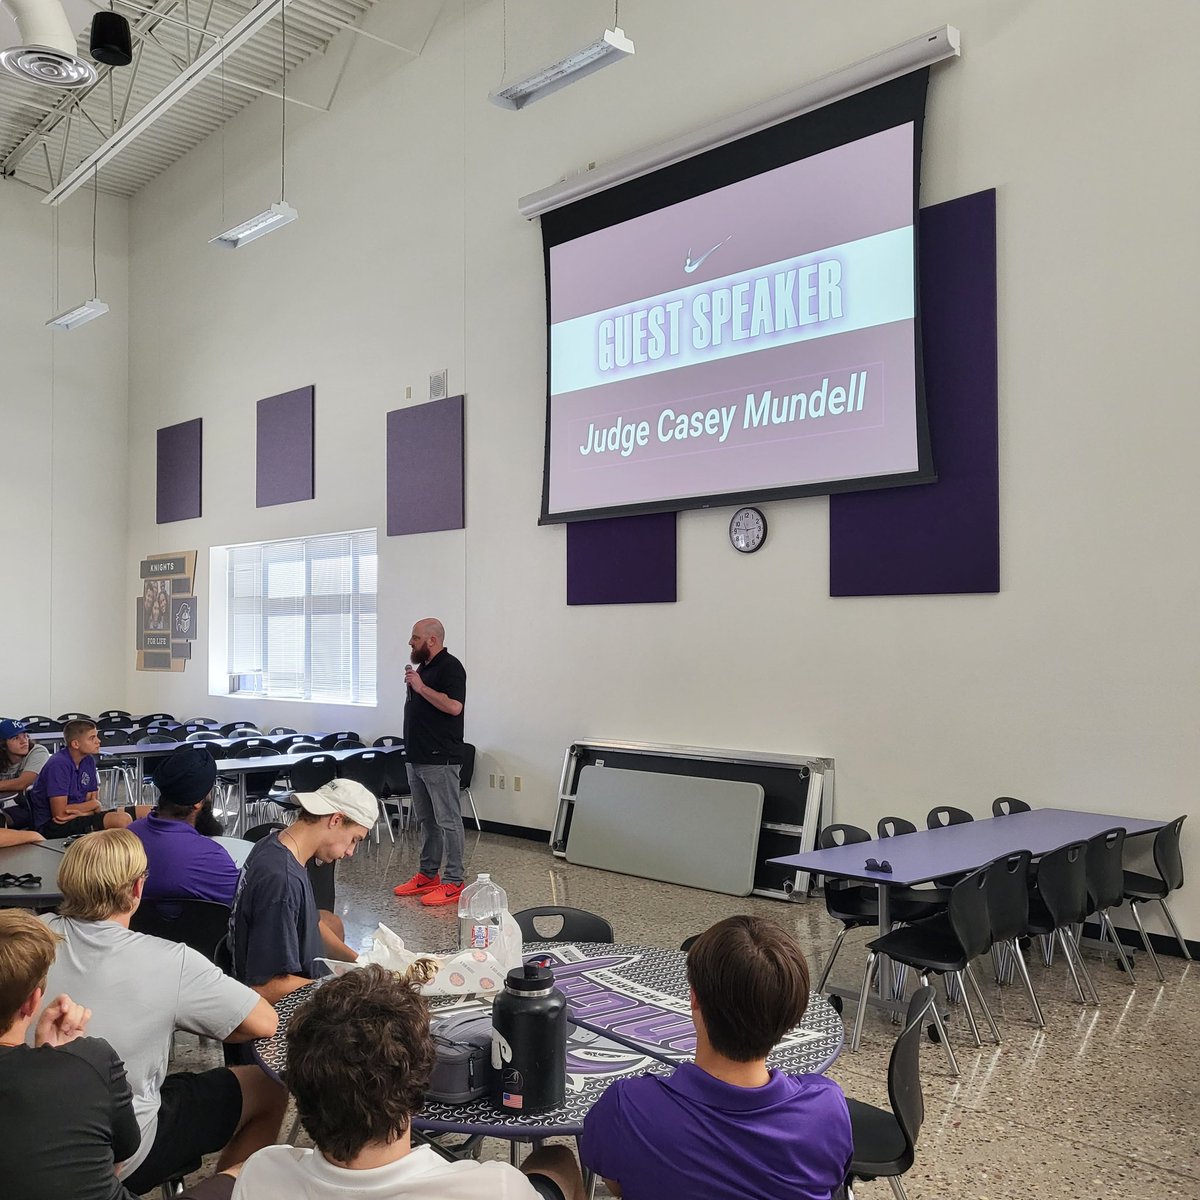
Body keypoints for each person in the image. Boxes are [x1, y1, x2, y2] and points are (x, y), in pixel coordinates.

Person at [41, 829, 285, 1195]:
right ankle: (229, 1188)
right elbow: (264, 1022)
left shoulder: (24, 937)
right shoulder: (172, 961)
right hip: (116, 1155)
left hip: (21, 1137)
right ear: (138, 889)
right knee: (267, 1089)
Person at [233, 965, 585, 1200]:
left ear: (298, 1087)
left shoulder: (259, 1174)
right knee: (557, 1160)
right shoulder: (495, 1188)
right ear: (419, 1079)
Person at [580, 915, 852, 1200]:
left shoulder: (627, 1106)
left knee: (556, 1161)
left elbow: (616, 1183)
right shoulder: (828, 1108)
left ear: (694, 998)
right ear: (791, 1015)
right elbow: (832, 1181)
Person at [0, 909, 142, 1200]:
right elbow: (118, 1159)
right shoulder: (93, 1063)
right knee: (240, 1174)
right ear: (32, 1002)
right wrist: (58, 1061)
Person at [229, 778, 377, 1001]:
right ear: (336, 820)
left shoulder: (274, 844)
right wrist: (341, 988)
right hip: (290, 1010)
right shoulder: (282, 879)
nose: (350, 852)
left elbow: (310, 923)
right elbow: (266, 987)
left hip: (305, 985)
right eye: (354, 839)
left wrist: (362, 965)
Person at [393, 618, 468, 907]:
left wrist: (422, 688)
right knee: (426, 821)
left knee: (448, 821)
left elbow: (454, 706)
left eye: (415, 637)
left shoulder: (451, 667)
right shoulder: (424, 668)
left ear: (431, 640)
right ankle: (428, 874)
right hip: (417, 758)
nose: (410, 642)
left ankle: (454, 881)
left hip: (440, 759)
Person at [129, 745, 239, 905]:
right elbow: (245, 901)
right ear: (198, 803)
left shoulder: (129, 836)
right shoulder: (210, 858)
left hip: (133, 928)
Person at [27, 719, 150, 839]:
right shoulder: (58, 764)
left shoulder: (88, 760)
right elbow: (60, 814)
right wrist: (93, 806)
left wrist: (88, 809)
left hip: (79, 816)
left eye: (97, 736)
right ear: (75, 744)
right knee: (122, 820)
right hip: (52, 825)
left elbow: (94, 803)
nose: (98, 741)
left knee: (147, 811)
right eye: (92, 738)